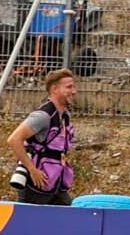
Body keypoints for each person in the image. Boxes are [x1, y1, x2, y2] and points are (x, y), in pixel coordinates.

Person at [9, 67, 85, 204]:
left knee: (69, 218)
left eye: (74, 87)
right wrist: (32, 169)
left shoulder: (65, 116)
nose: (74, 91)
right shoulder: (43, 116)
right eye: (69, 87)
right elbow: (14, 140)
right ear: (55, 89)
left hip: (55, 183)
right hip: (37, 184)